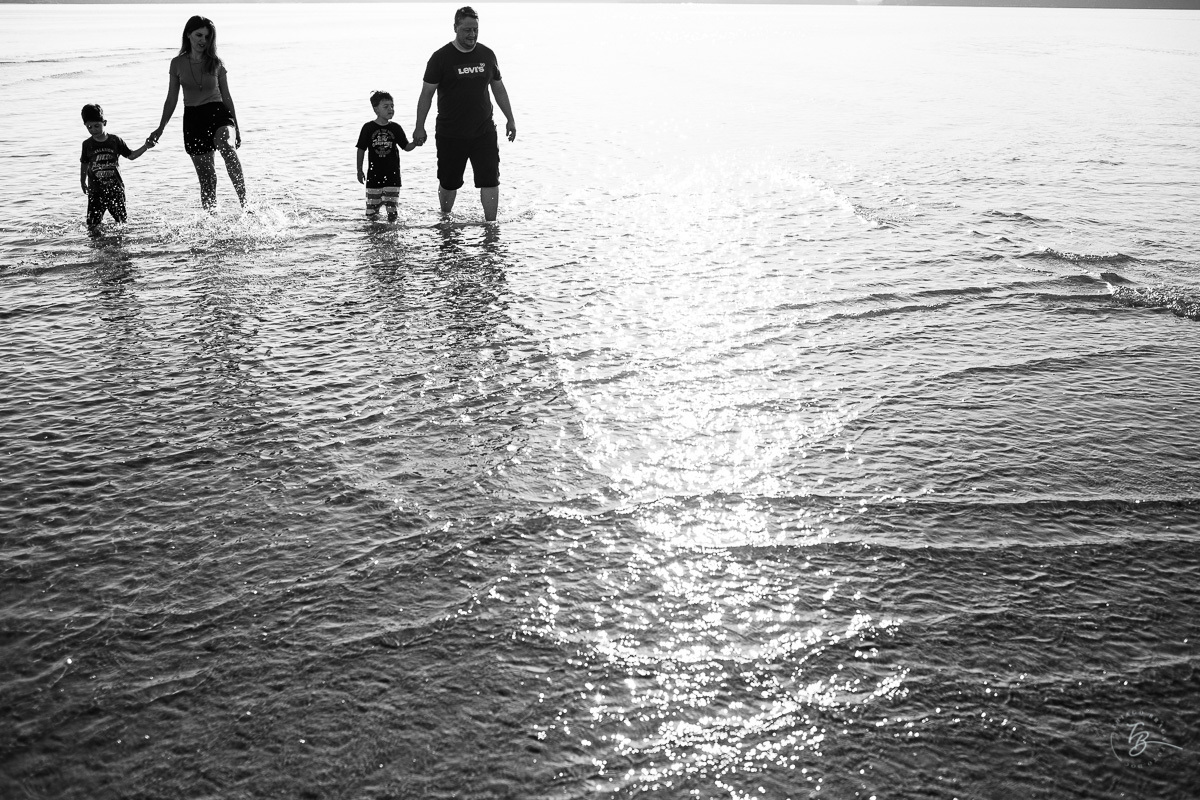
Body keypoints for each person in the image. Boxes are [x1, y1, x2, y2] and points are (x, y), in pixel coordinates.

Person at [412, 6, 516, 223]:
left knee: (490, 180)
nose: (472, 34)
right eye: (467, 29)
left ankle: (491, 226)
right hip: (451, 133)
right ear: (455, 28)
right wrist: (419, 126)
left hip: (484, 131)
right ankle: (446, 219)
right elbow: (426, 94)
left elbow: (498, 88)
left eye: (475, 29)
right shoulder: (440, 58)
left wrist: (510, 119)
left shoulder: (487, 55)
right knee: (449, 182)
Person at [148, 15, 247, 211]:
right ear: (188, 35)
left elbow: (227, 97)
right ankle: (212, 222)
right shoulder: (177, 63)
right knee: (207, 178)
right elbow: (171, 99)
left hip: (218, 112)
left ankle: (246, 205)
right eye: (199, 35)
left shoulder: (216, 62)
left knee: (226, 146)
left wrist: (237, 127)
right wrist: (160, 128)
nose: (203, 40)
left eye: (208, 37)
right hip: (193, 118)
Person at [79, 104, 154, 231]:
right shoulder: (87, 144)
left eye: (97, 126)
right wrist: (82, 181)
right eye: (89, 127)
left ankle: (119, 246)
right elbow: (84, 163)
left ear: (104, 122)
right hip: (96, 191)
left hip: (115, 190)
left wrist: (145, 146)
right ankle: (98, 247)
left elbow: (131, 155)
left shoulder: (115, 141)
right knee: (92, 226)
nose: (93, 130)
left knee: (121, 223)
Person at [356, 91, 419, 223]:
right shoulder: (368, 128)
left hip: (392, 176)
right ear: (376, 109)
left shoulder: (395, 128)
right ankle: (374, 234)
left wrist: (416, 143)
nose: (390, 109)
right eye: (386, 106)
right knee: (371, 212)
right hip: (374, 177)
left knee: (392, 212)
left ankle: (391, 235)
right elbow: (361, 149)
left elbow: (406, 147)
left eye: (392, 106)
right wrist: (359, 170)